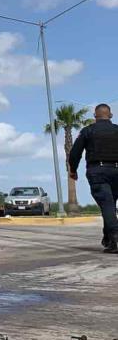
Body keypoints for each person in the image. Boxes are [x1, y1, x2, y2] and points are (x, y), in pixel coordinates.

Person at [68, 103, 118, 254]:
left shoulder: (88, 130)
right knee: (109, 206)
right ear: (110, 115)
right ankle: (109, 238)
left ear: (95, 116)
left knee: (107, 205)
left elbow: (75, 153)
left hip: (98, 171)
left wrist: (73, 170)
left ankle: (115, 239)